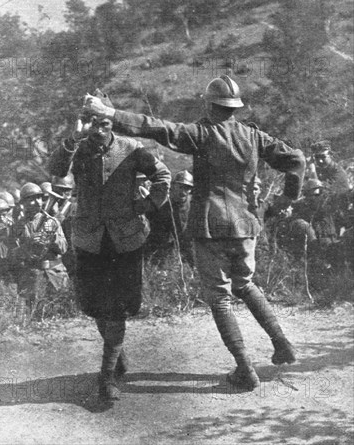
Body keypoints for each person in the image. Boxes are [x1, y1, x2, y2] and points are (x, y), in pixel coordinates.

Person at [81, 75, 306, 392]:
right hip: (246, 226)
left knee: (220, 299)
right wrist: (285, 199)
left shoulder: (201, 134)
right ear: (235, 107)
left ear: (209, 104)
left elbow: (157, 127)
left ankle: (245, 369)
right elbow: (296, 160)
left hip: (209, 227)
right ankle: (282, 343)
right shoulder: (255, 137)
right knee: (245, 284)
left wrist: (110, 114)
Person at [48, 91, 171, 404]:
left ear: (111, 123)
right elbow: (56, 171)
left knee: (117, 308)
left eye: (103, 123)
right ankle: (117, 357)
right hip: (89, 240)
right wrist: (71, 139)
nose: (98, 130)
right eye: (92, 124)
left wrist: (146, 205)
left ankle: (106, 379)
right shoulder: (79, 151)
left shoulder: (131, 148)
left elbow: (163, 175)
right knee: (94, 306)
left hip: (125, 240)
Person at [10, 183, 69, 310]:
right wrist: (29, 244)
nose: (37, 202)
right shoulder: (18, 226)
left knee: (61, 312)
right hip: (32, 277)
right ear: (24, 203)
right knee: (36, 313)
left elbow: (63, 248)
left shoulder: (51, 222)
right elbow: (12, 254)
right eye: (32, 199)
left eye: (39, 198)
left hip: (55, 275)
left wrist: (52, 239)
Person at [146, 170, 196, 268]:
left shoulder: (193, 204)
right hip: (167, 250)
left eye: (187, 188)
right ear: (173, 186)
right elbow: (158, 237)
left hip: (190, 246)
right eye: (180, 187)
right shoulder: (164, 207)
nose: (183, 191)